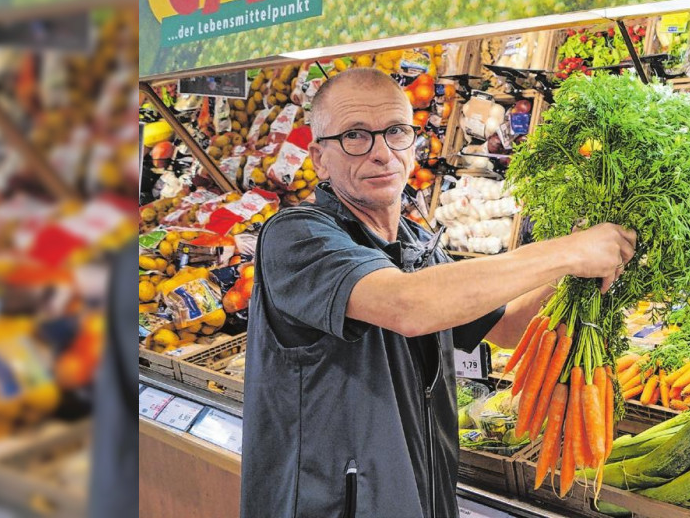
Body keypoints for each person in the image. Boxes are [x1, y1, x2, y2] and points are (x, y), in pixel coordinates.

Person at [239, 68, 636, 518]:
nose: (381, 153)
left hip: (420, 494)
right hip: (333, 504)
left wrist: (577, 274)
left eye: (396, 132)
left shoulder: (415, 243)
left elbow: (505, 327)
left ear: (413, 144)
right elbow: (407, 305)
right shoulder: (295, 236)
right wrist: (566, 251)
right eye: (354, 136)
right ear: (319, 157)